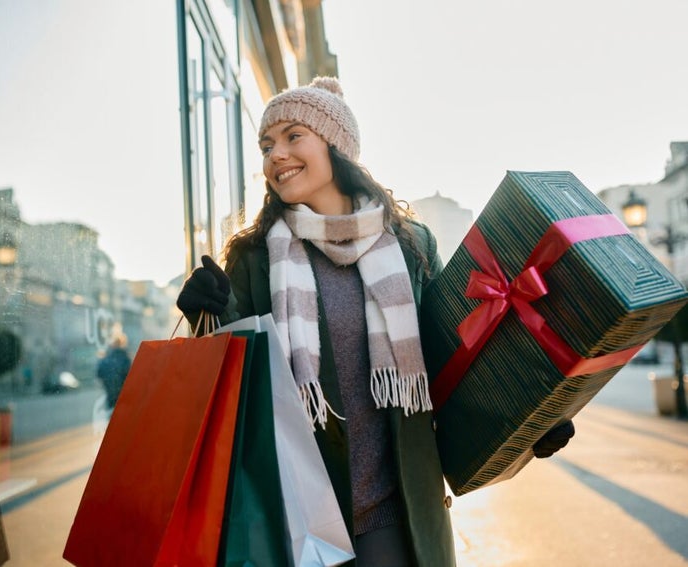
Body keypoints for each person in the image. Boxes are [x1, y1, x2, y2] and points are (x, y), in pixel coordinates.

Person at [176, 77, 574, 566]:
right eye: (266, 145)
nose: (275, 154)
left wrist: (530, 422)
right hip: (298, 523)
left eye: (293, 136)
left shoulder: (410, 247)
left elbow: (454, 358)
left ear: (336, 144)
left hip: (394, 517)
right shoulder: (255, 259)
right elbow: (233, 383)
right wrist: (207, 313)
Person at [96, 334, 131, 409]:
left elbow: (99, 374)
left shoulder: (105, 360)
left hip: (111, 398)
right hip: (125, 399)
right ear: (122, 344)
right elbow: (130, 378)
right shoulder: (125, 359)